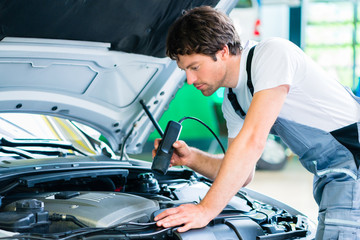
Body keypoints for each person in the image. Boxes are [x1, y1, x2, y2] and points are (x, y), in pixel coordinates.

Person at [153, 6, 360, 239]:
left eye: (195, 67)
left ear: (222, 51)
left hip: (354, 162)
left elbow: (253, 141)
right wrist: (191, 158)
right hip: (333, 175)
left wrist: (205, 210)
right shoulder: (234, 102)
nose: (190, 80)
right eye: (185, 71)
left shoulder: (272, 54)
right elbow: (242, 172)